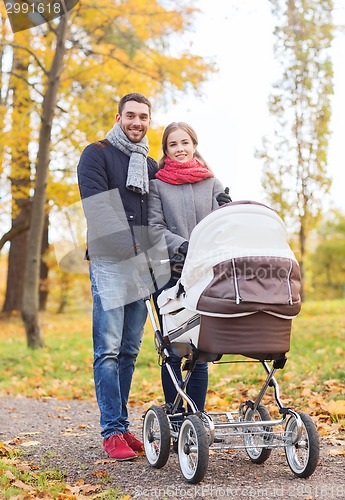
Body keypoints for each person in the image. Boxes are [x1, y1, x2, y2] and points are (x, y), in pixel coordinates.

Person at [77, 93, 158, 461]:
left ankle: (123, 427)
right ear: (119, 117)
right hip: (110, 260)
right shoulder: (96, 154)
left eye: (143, 116)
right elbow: (99, 210)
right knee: (107, 350)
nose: (137, 122)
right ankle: (111, 430)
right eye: (131, 115)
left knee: (130, 349)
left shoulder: (150, 163)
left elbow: (170, 198)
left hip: (143, 265)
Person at [148, 121, 231, 437]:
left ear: (194, 145)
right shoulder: (158, 186)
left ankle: (195, 421)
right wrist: (187, 246)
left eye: (185, 142)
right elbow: (155, 229)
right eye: (173, 144)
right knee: (174, 348)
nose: (180, 148)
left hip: (206, 276)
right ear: (166, 150)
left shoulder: (212, 183)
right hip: (172, 274)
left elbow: (223, 222)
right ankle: (174, 419)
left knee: (201, 350)